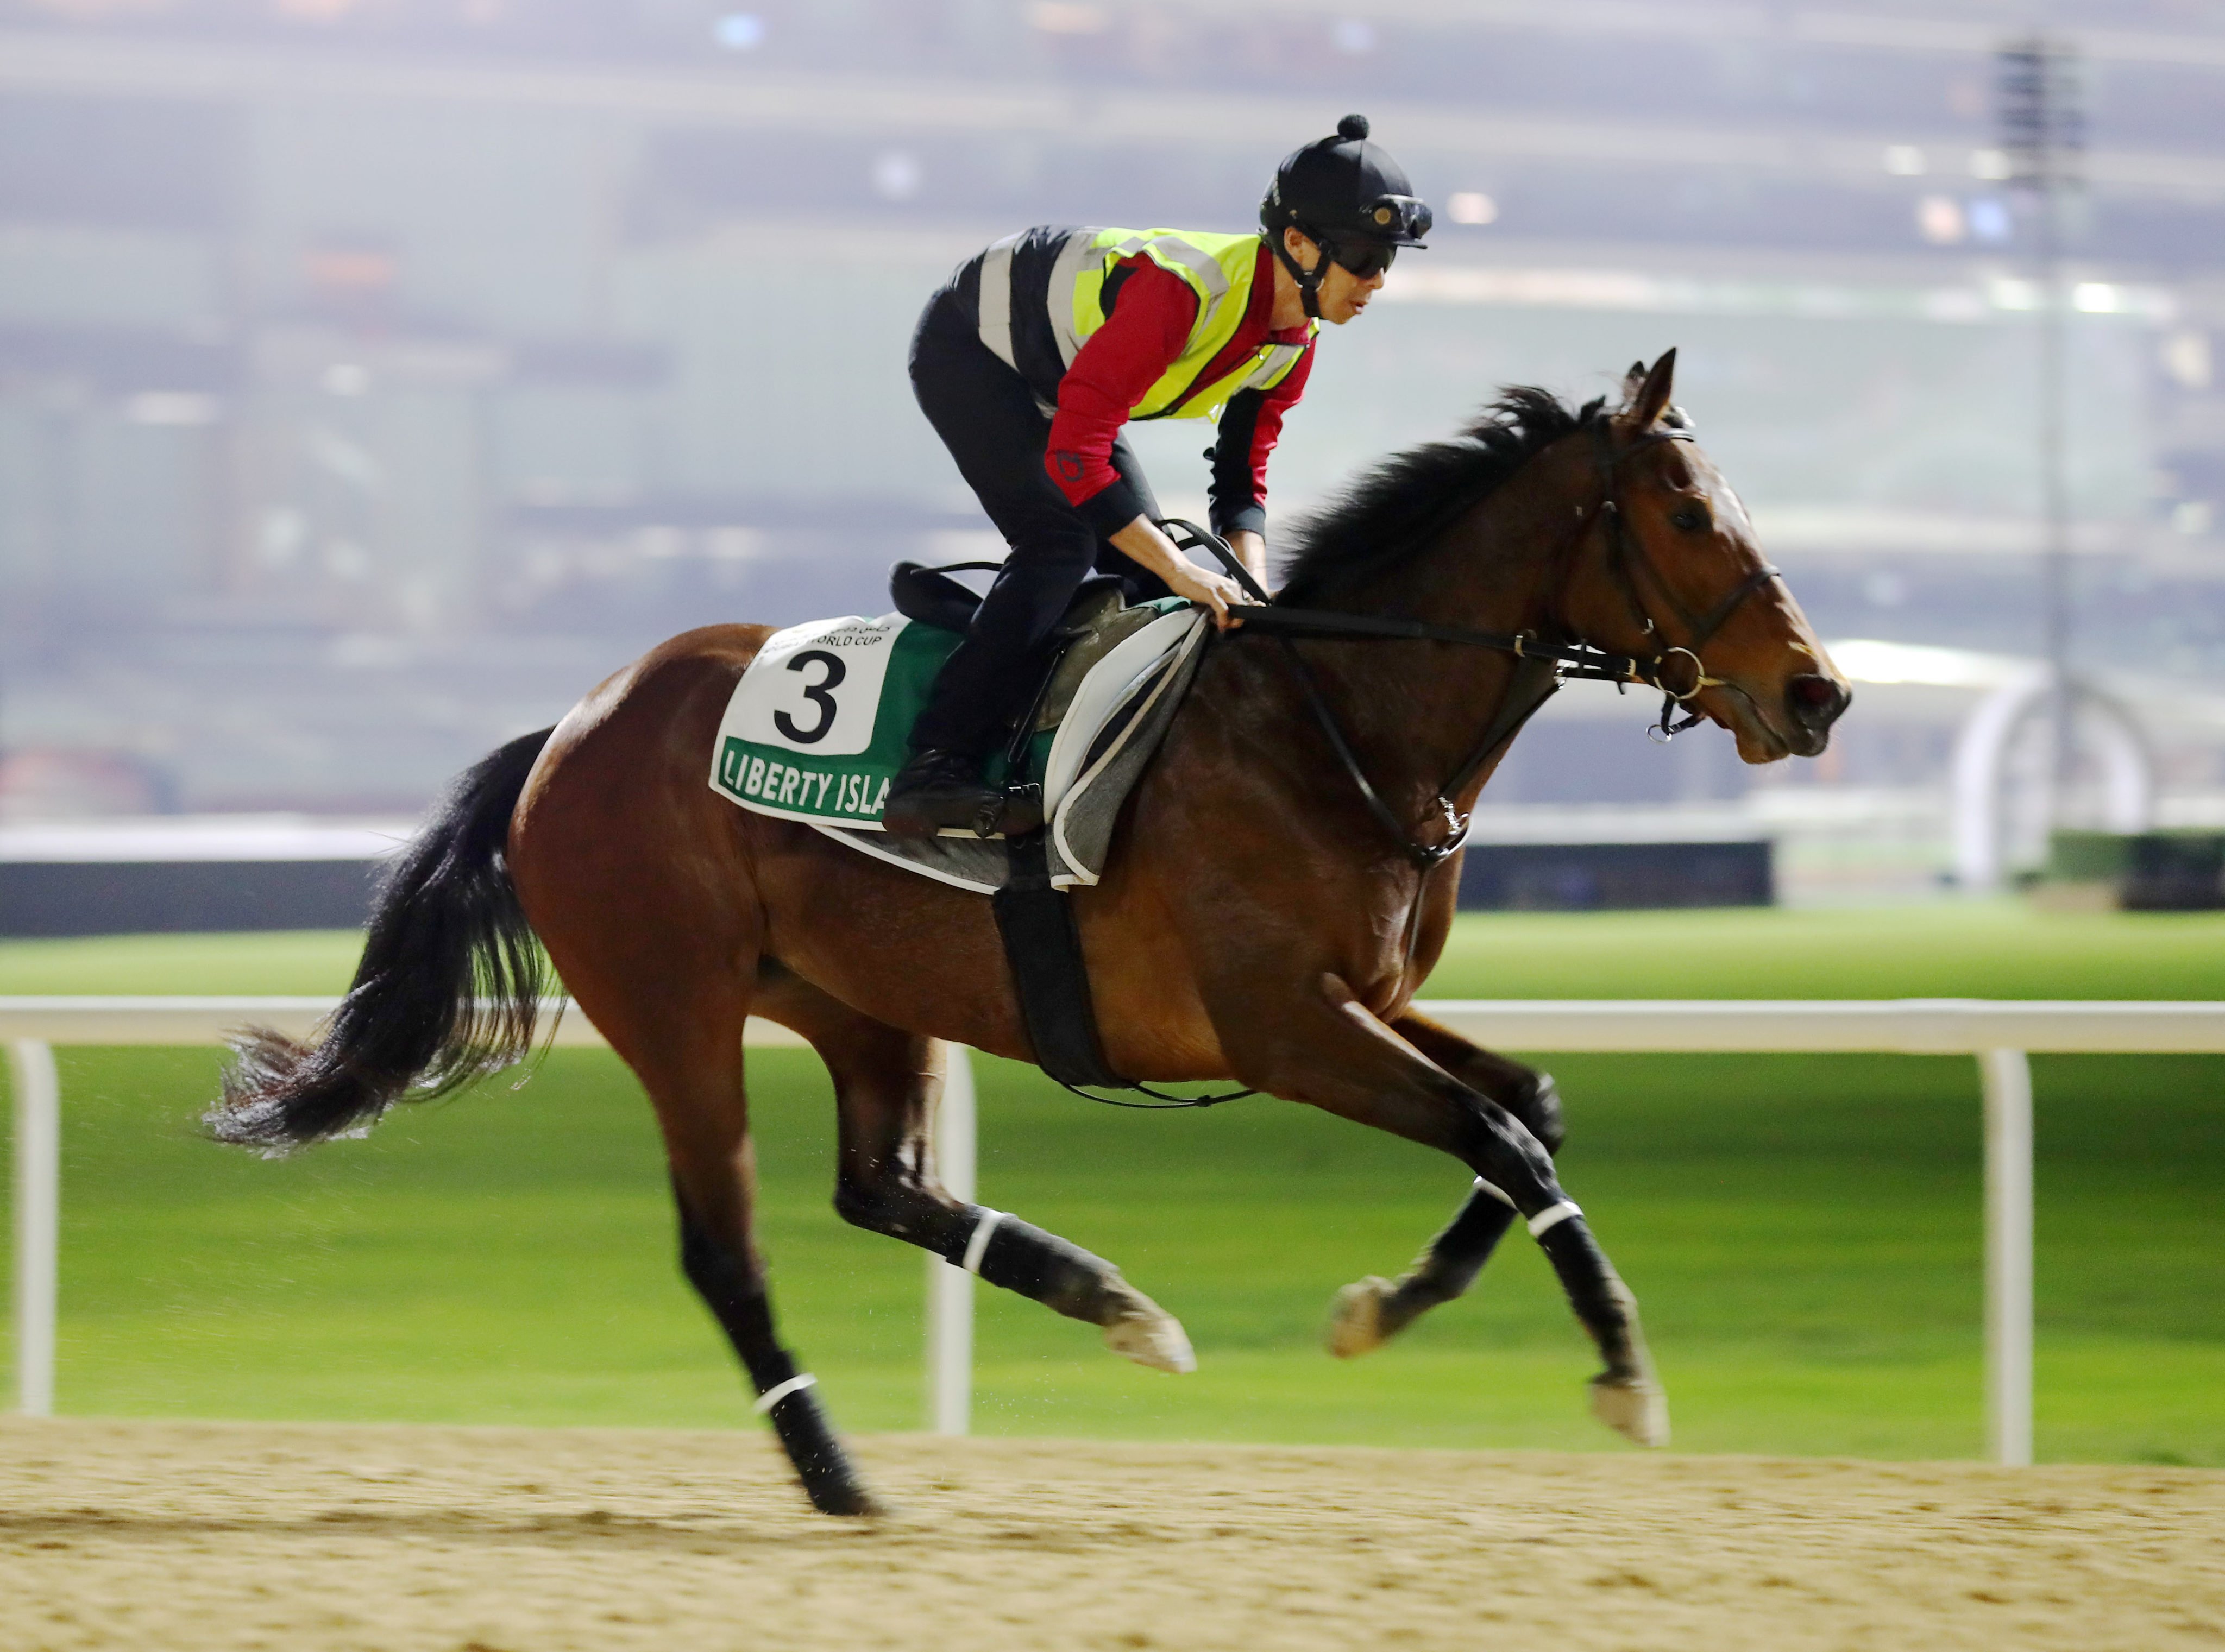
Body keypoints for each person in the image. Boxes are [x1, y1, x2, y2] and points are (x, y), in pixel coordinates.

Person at [881, 112, 1432, 840]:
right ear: (1298, 244)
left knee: (1151, 588)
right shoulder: (1180, 295)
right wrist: (1182, 570)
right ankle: (934, 767)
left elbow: (1241, 478)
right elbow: (1075, 454)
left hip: (1061, 380)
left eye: (1388, 260)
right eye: (1365, 256)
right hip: (974, 354)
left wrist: (1247, 589)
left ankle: (1026, 677)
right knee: (1061, 548)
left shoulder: (1296, 343)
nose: (1377, 281)